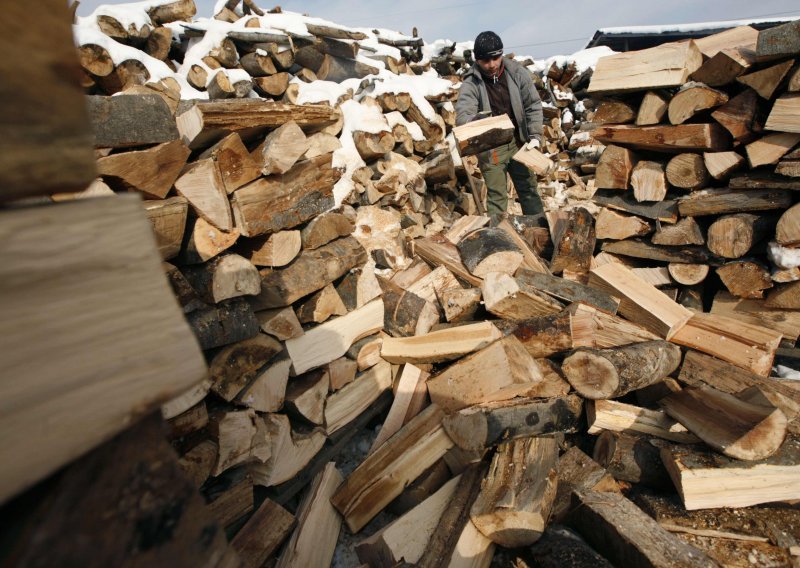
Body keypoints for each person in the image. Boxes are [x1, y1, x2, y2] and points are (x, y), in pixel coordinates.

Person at [455, 31, 545, 217]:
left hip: (520, 141)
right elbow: (463, 116)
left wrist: (535, 136)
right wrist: (479, 122)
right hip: (492, 147)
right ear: (477, 60)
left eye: (495, 58)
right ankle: (499, 239)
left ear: (501, 54)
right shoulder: (471, 83)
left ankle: (540, 232)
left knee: (529, 190)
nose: (492, 65)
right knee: (497, 197)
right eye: (485, 61)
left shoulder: (517, 73)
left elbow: (533, 105)